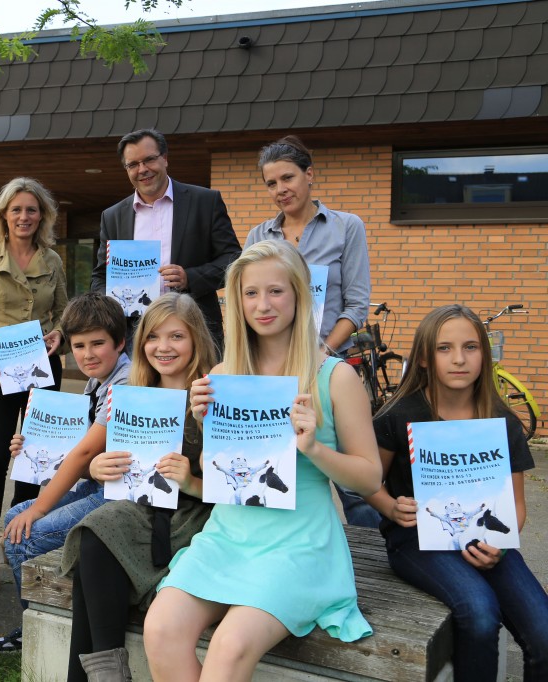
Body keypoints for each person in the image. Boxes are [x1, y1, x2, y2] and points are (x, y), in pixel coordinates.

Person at [143, 240, 381, 681]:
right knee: (159, 628)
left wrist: (314, 448)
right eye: (251, 293)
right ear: (236, 301)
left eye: (276, 291)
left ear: (299, 295)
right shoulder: (220, 377)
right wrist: (200, 421)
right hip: (228, 535)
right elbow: (224, 476)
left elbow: (369, 478)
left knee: (229, 647)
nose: (263, 304)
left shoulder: (336, 377)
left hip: (298, 544)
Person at [365, 304, 548, 681]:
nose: (459, 359)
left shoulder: (501, 421)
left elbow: (516, 505)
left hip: (487, 541)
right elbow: (368, 482)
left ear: (485, 354)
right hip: (416, 540)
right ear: (425, 359)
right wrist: (389, 506)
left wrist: (498, 544)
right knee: (480, 613)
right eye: (444, 348)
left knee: (544, 633)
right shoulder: (398, 416)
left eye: (471, 347)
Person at [59, 292, 218, 681]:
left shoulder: (216, 391)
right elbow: (118, 465)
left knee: (96, 541)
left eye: (176, 337)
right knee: (97, 532)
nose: (163, 347)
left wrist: (192, 480)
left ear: (196, 338)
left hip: (198, 514)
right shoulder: (133, 393)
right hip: (142, 507)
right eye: (153, 337)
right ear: (140, 343)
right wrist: (98, 468)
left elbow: (245, 485)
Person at [245, 135, 377, 528]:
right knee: (279, 468)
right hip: (273, 371)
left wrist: (323, 354)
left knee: (355, 489)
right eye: (271, 183)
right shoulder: (258, 237)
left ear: (309, 175)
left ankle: (372, 566)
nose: (281, 190)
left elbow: (356, 305)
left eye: (288, 178)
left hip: (329, 369)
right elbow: (248, 302)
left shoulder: (346, 227)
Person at [0, 293, 131, 653]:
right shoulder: (97, 380)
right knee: (15, 515)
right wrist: (34, 447)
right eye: (79, 345)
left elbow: (84, 451)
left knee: (25, 535)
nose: (88, 354)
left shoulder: (124, 383)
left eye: (98, 343)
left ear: (121, 342)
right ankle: (42, 621)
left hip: (119, 495)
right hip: (101, 484)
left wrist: (39, 509)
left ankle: (43, 632)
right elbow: (77, 452)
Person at [0, 177, 67, 594]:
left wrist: (60, 333)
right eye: (17, 209)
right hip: (0, 367)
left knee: (35, 460)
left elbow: (63, 312)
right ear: (3, 215)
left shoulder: (53, 260)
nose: (24, 217)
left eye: (32, 210)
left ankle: (18, 540)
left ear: (42, 216)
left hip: (44, 366)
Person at [90, 128, 241, 353]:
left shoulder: (205, 202)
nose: (142, 170)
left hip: (195, 328)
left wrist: (190, 277)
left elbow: (234, 260)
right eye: (133, 164)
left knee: (197, 390)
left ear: (165, 159)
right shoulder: (113, 216)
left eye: (149, 159)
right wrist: (115, 301)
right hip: (136, 334)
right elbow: (100, 277)